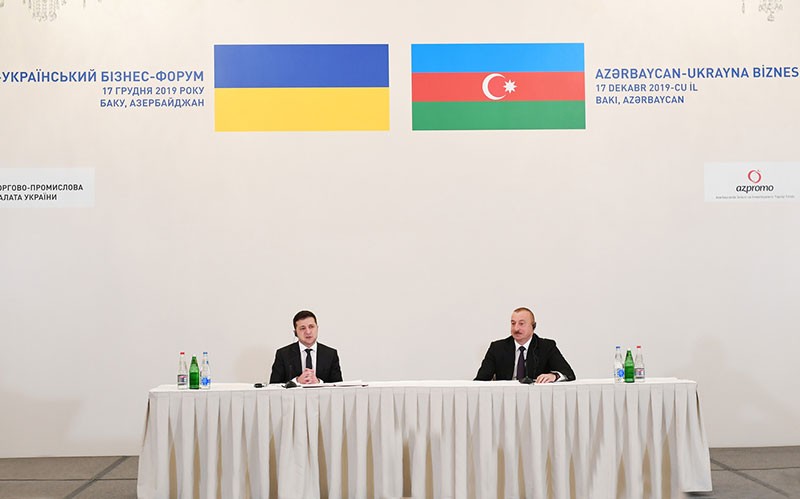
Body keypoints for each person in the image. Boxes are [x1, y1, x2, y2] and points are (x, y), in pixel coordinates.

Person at [475, 307, 575, 383]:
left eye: (521, 324)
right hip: (505, 399)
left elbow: (569, 374)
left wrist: (554, 376)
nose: (516, 328)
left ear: (533, 326)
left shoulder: (546, 346)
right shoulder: (497, 348)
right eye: (513, 323)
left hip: (536, 398)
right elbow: (480, 381)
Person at [269, 310, 343, 385]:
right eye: (302, 328)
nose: (308, 332)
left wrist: (319, 382)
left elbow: (338, 386)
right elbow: (273, 386)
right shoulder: (283, 354)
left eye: (311, 327)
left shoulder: (330, 354)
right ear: (295, 332)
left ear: (317, 328)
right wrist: (296, 382)